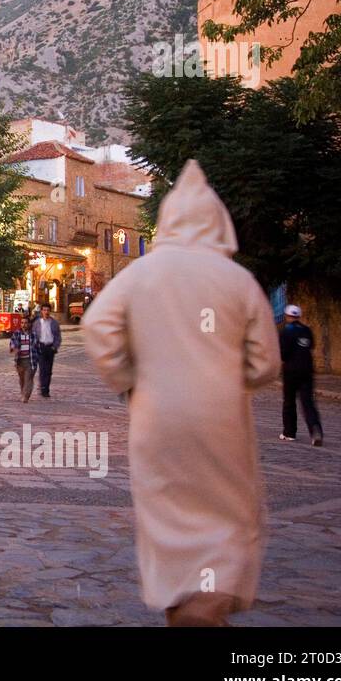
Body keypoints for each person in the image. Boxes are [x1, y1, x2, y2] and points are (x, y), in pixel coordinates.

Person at [82, 160, 280, 627]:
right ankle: (207, 606)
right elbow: (267, 362)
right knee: (224, 515)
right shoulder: (237, 280)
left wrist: (130, 378)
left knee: (169, 517)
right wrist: (233, 379)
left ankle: (183, 603)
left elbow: (97, 326)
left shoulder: (141, 274)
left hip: (157, 419)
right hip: (222, 419)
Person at [279, 304, 323, 446]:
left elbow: (283, 353)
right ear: (298, 316)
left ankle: (289, 433)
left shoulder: (286, 331)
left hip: (291, 371)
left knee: (289, 402)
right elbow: (311, 346)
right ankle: (315, 429)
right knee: (308, 403)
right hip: (307, 370)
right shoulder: (307, 330)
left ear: (287, 317)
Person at [30, 303, 61, 398]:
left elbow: (57, 336)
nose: (46, 312)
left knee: (49, 370)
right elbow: (33, 335)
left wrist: (54, 347)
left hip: (50, 347)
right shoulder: (37, 323)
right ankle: (43, 389)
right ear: (41, 311)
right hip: (41, 347)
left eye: (48, 310)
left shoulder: (54, 323)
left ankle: (46, 388)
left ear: (50, 311)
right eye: (44, 310)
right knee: (43, 369)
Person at [9, 321, 36, 402]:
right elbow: (12, 342)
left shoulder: (34, 334)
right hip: (20, 360)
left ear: (29, 324)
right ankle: (23, 392)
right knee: (22, 379)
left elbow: (38, 345)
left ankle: (26, 396)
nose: (24, 325)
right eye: (22, 323)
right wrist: (14, 348)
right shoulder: (17, 333)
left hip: (31, 360)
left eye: (26, 323)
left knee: (29, 378)